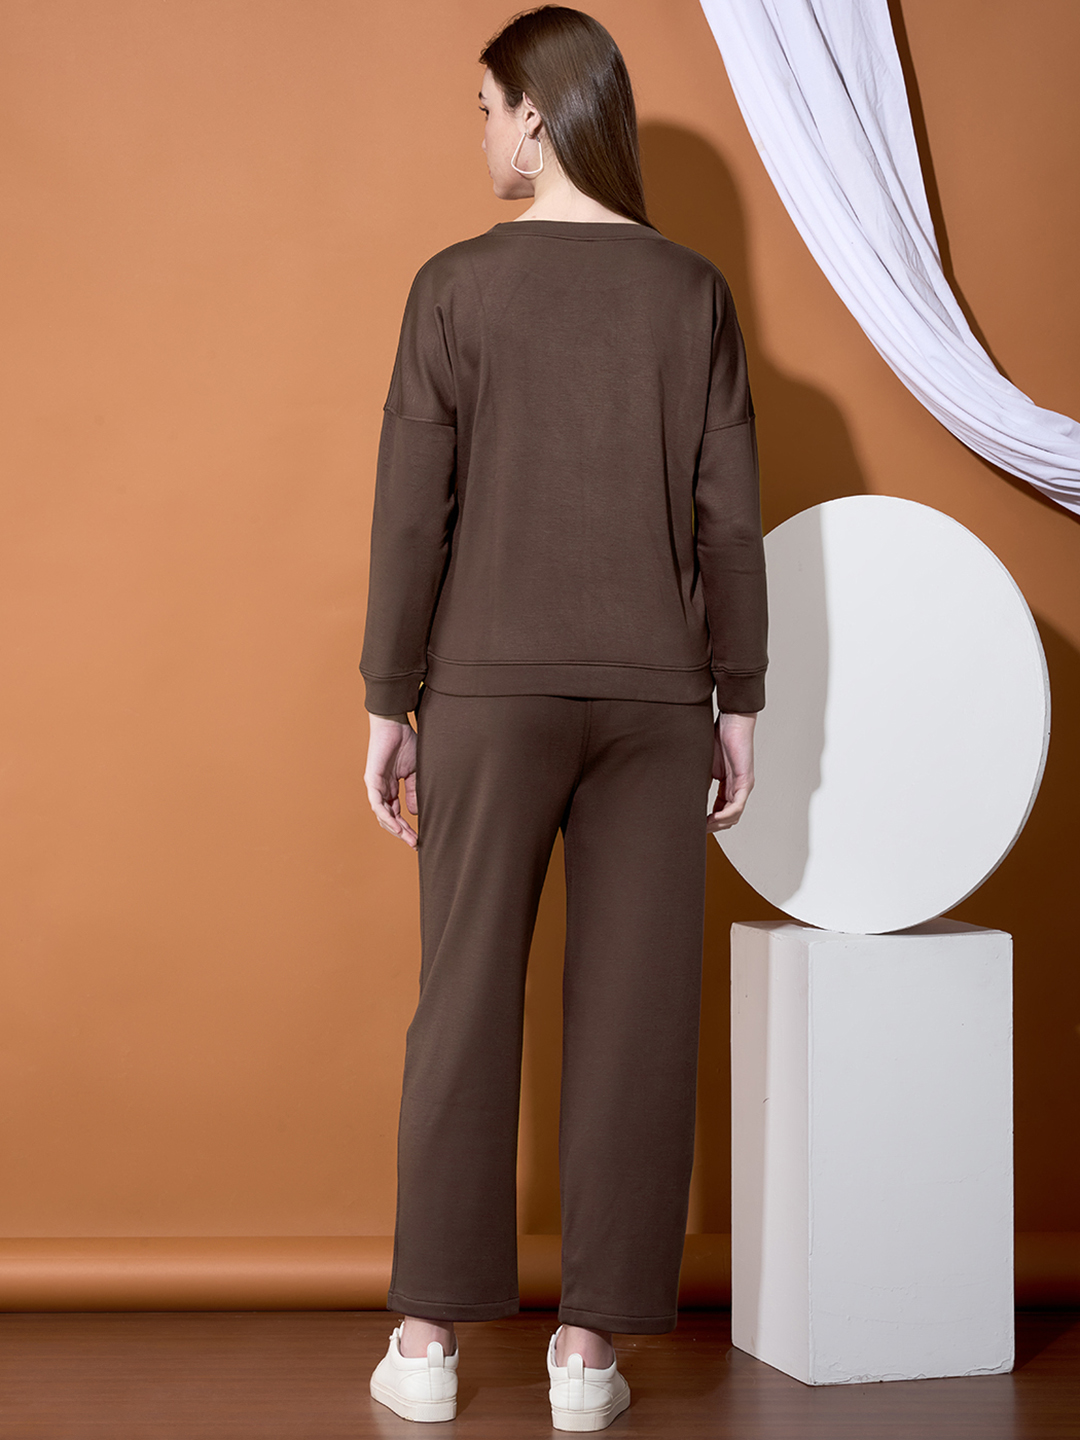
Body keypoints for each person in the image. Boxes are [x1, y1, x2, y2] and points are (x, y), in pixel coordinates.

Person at [361, 5, 767, 1428]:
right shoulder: (695, 293)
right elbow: (730, 520)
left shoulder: (454, 288)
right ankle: (587, 1360)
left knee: (463, 1000)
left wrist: (389, 699)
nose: (480, 135)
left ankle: (425, 1346)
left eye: (486, 109)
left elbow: (412, 515)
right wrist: (738, 698)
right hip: (658, 698)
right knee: (638, 1017)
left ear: (534, 115)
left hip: (485, 690)